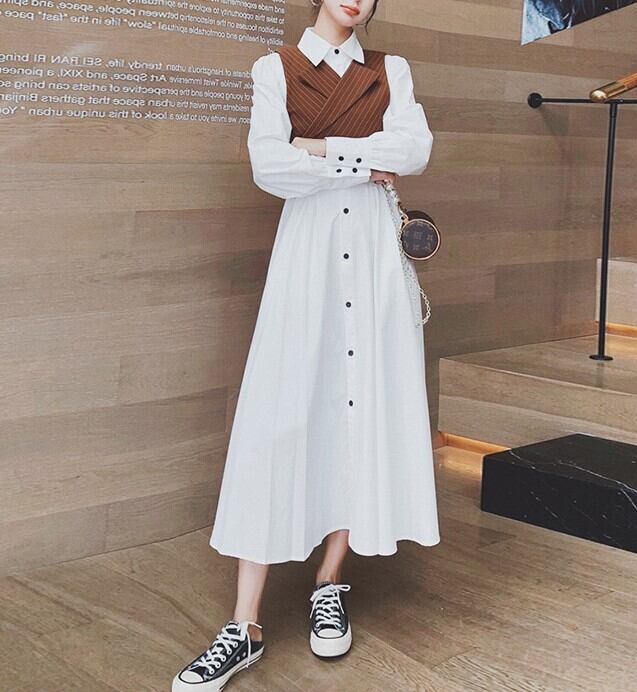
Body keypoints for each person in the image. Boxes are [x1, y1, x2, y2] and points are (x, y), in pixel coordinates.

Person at [172, 1, 440, 689]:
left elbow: (413, 151)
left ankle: (329, 581)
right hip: (308, 258)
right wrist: (361, 157)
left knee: (360, 410)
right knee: (279, 418)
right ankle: (245, 625)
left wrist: (317, 148)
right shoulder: (276, 69)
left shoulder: (391, 70)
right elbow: (270, 166)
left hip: (375, 262)